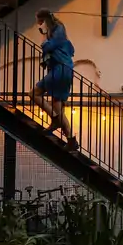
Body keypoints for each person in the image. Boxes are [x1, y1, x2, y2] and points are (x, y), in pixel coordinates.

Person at [30, 8, 79, 151]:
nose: (38, 25)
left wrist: (44, 33)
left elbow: (47, 46)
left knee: (34, 93)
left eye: (39, 22)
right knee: (58, 107)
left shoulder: (57, 30)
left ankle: (55, 119)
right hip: (62, 70)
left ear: (44, 20)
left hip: (61, 70)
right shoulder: (58, 31)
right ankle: (71, 140)